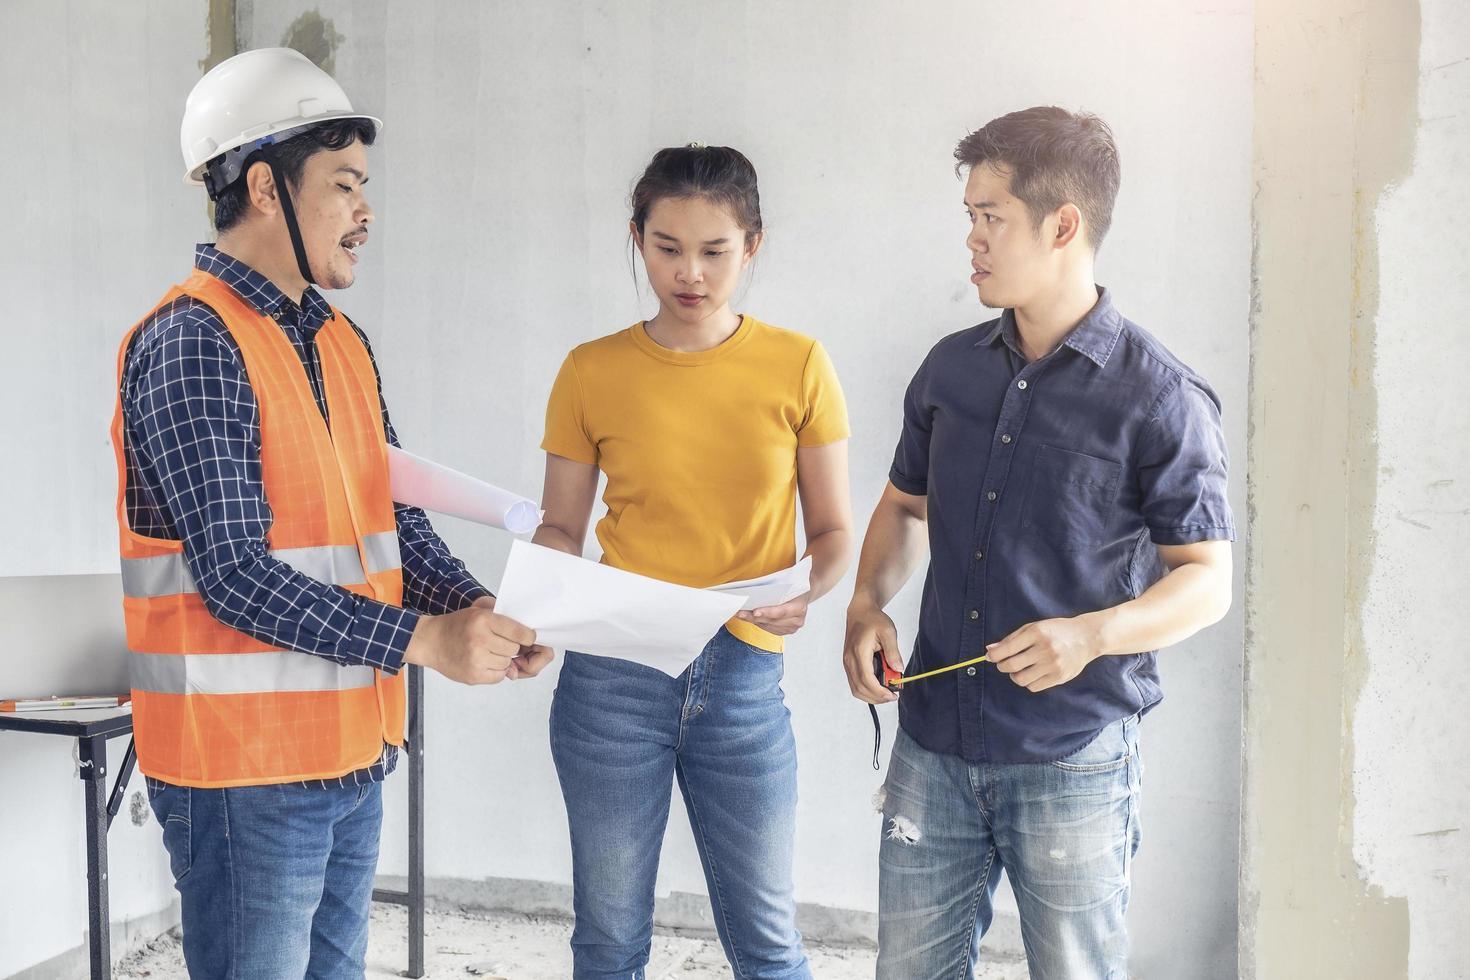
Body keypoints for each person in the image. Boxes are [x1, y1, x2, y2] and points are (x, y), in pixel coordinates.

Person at [112, 47, 551, 977]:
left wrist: (471, 610)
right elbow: (234, 576)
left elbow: (389, 517)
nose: (366, 212)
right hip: (243, 779)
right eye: (345, 185)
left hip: (351, 754)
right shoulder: (192, 342)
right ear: (266, 187)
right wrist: (424, 642)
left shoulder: (339, 341)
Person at [842, 106, 1235, 979]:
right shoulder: (950, 368)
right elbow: (904, 508)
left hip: (1074, 756)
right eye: (970, 218)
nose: (973, 241)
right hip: (933, 744)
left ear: (1063, 225)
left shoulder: (1162, 397)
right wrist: (867, 605)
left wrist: (1090, 634)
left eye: (993, 218)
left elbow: (1207, 582)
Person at [533, 144, 853, 980]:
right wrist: (537, 595)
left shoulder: (800, 364)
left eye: (715, 251)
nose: (691, 273)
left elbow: (834, 534)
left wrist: (805, 593)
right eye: (668, 247)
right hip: (612, 678)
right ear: (637, 237)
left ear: (754, 245)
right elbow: (561, 528)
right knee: (607, 940)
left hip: (745, 673)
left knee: (769, 943)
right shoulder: (590, 370)